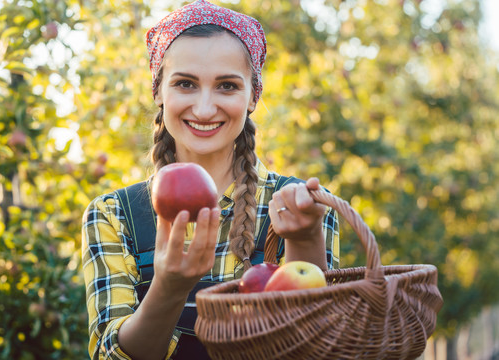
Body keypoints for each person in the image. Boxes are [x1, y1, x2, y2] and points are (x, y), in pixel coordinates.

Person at [82, 1, 340, 359]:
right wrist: (168, 289)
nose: (204, 109)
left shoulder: (303, 206)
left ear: (254, 96)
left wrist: (304, 238)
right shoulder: (113, 216)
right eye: (185, 83)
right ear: (158, 91)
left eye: (227, 86)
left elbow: (318, 346)